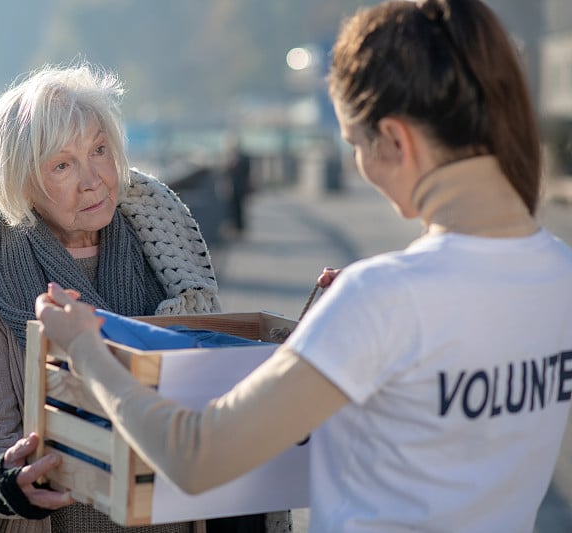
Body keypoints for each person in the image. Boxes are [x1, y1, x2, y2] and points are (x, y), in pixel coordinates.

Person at [33, 1, 572, 531]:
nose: (361, 167)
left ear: (396, 140)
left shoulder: (383, 297)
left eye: (355, 144)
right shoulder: (560, 272)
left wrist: (85, 346)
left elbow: (196, 456)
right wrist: (326, 341)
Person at [0, 62, 290, 532]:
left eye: (99, 150)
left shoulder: (166, 252)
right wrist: (8, 483)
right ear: (23, 183)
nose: (93, 179)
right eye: (62, 164)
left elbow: (219, 401)